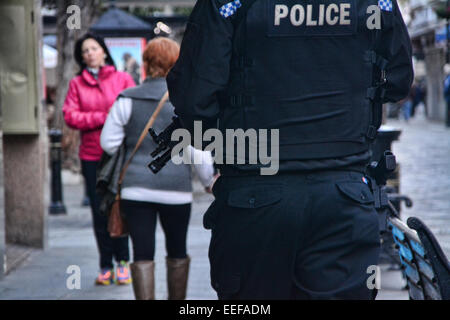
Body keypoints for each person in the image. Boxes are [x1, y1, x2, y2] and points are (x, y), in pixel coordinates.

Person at [166, 0, 413, 299]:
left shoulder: (228, 3)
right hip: (344, 194)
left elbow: (195, 100)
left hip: (253, 196)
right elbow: (398, 80)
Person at [100, 37, 216, 300]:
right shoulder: (185, 103)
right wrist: (208, 181)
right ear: (177, 63)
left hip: (135, 191)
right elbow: (196, 151)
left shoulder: (127, 99)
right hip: (176, 191)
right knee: (177, 251)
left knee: (142, 253)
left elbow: (108, 143)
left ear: (146, 62)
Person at [63, 33, 136, 286]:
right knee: (98, 211)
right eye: (85, 51)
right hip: (92, 156)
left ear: (104, 52)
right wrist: (103, 117)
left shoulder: (123, 78)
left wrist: (107, 117)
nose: (90, 53)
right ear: (81, 57)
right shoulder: (76, 84)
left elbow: (132, 112)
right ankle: (106, 265)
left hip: (120, 156)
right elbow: (71, 116)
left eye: (94, 48)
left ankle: (123, 262)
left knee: (119, 207)